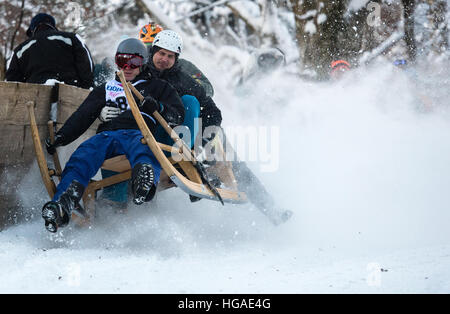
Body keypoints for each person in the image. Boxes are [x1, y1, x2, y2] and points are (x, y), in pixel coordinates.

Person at [41, 38, 185, 233]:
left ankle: (144, 182)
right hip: (108, 135)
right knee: (85, 152)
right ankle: (64, 201)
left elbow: (178, 113)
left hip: (138, 133)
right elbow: (82, 116)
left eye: (133, 62)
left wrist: (158, 107)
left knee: (145, 148)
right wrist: (61, 137)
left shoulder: (157, 87)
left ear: (142, 63)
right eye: (121, 61)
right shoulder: (108, 89)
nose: (127, 67)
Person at [6, 13, 94, 89]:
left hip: (34, 98)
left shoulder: (20, 50)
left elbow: (12, 81)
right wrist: (87, 87)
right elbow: (86, 64)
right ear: (52, 25)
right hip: (71, 91)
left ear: (33, 29)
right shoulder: (71, 38)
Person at [139, 22, 214, 98]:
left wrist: (189, 84)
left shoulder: (183, 66)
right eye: (146, 47)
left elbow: (208, 90)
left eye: (150, 47)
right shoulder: (139, 66)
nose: (164, 59)